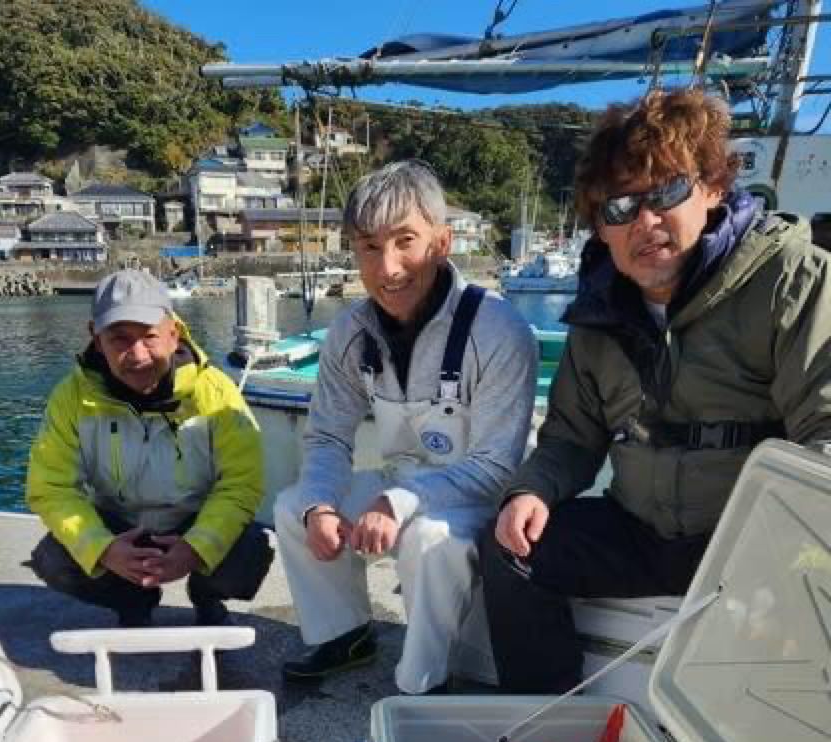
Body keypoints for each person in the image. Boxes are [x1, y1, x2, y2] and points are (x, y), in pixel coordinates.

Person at [478, 88, 831, 694]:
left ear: (714, 190)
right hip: (640, 528)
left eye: (666, 191)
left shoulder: (792, 280)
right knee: (508, 547)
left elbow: (824, 436)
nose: (644, 221)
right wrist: (531, 490)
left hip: (752, 538)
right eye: (618, 208)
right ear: (600, 228)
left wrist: (791, 552)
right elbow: (570, 437)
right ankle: (544, 717)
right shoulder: (598, 314)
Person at [274, 160, 538, 694]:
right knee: (293, 506)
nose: (387, 267)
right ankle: (343, 634)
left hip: (479, 497)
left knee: (429, 538)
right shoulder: (349, 332)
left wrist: (397, 501)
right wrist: (321, 507)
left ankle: (422, 680)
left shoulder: (500, 330)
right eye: (369, 247)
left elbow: (495, 465)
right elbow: (327, 436)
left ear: (441, 243)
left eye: (405, 242)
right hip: (400, 486)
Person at [26, 269, 273, 627]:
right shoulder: (69, 398)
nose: (137, 353)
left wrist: (195, 549)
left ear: (174, 334)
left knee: (249, 550)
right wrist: (104, 549)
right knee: (55, 560)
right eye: (120, 339)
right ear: (96, 339)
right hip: (119, 525)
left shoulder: (217, 393)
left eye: (149, 337)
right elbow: (50, 488)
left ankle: (207, 598)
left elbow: (241, 484)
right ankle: (133, 601)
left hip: (192, 521)